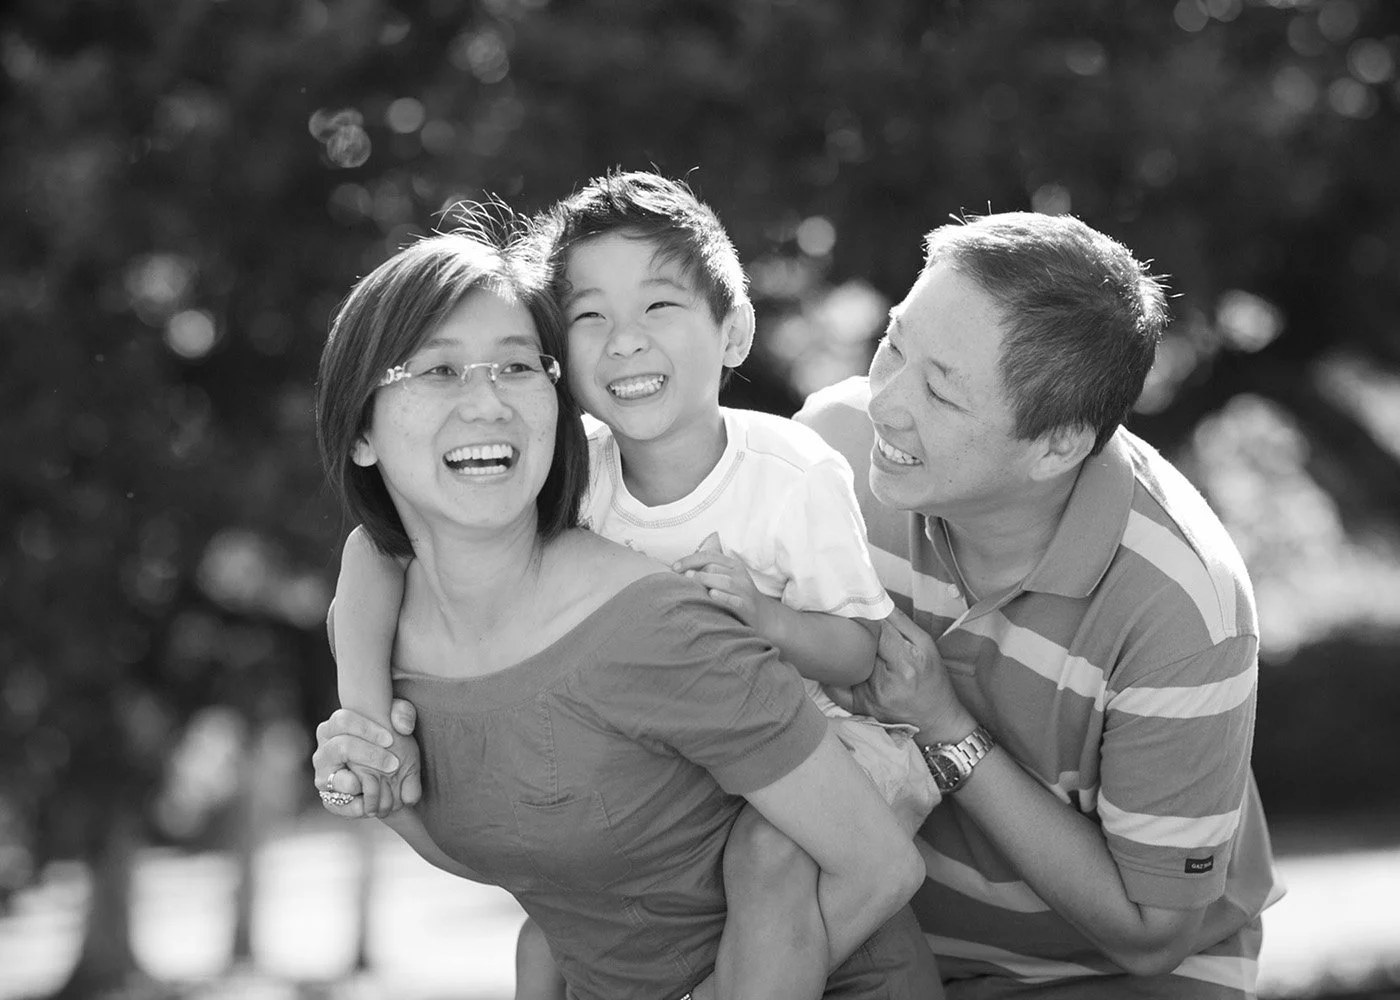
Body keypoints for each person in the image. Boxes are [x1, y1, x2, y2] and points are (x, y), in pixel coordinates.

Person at [327, 170, 939, 1000]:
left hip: (834, 734)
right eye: (590, 318)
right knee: (542, 939)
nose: (625, 342)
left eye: (514, 366)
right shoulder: (581, 477)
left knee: (767, 862)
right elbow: (375, 551)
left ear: (733, 332)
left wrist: (764, 617)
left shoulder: (784, 479)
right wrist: (368, 726)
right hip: (704, 797)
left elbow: (858, 655)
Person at [794, 211, 1282, 998]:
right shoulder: (827, 454)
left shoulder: (1186, 607)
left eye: (940, 391)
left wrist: (947, 729)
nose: (885, 401)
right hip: (881, 946)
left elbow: (1152, 936)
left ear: (1058, 444)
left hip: (1103, 977)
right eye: (893, 344)